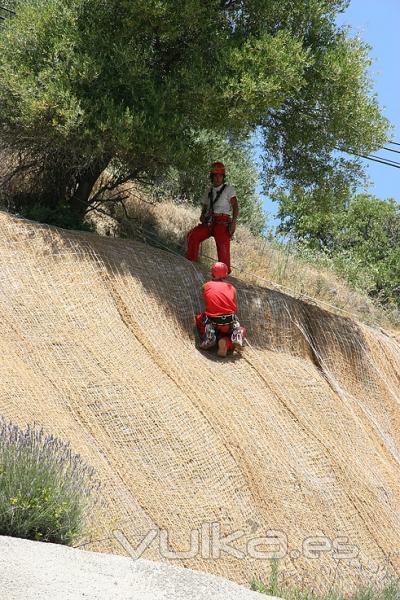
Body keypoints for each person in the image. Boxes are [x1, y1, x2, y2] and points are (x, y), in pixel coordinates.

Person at [186, 162, 238, 273]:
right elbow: (205, 206)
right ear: (212, 176)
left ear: (223, 177)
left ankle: (223, 274)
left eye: (220, 175)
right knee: (193, 235)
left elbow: (235, 206)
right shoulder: (208, 191)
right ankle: (191, 264)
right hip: (209, 221)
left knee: (223, 248)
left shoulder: (229, 189)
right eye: (215, 175)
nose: (217, 178)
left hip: (223, 221)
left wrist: (233, 222)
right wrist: (202, 215)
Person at [195, 261, 246, 358]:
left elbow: (207, 303)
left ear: (212, 273)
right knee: (241, 329)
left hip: (213, 321)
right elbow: (235, 307)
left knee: (199, 318)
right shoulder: (232, 288)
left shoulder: (206, 286)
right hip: (230, 321)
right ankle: (229, 341)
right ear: (226, 274)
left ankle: (209, 336)